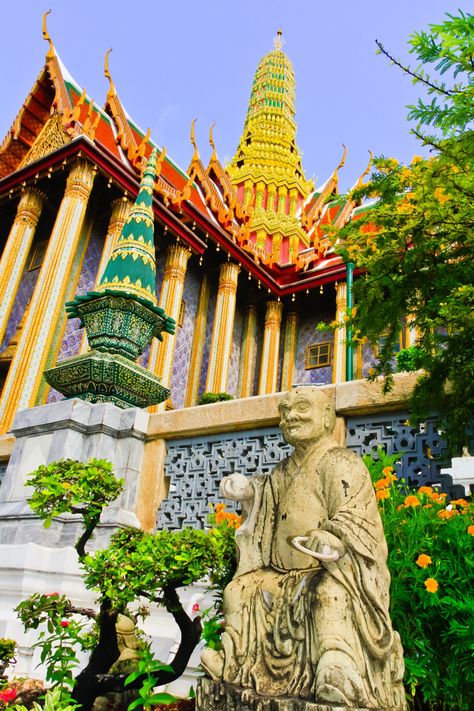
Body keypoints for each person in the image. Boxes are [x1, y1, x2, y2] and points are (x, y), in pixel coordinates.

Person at [201, 387, 405, 709]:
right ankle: (234, 659)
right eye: (285, 411)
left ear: (326, 417)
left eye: (302, 408)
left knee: (328, 592)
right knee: (240, 590)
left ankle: (337, 665)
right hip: (282, 573)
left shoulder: (340, 462)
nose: (290, 416)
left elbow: (356, 513)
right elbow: (267, 500)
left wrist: (334, 536)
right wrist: (250, 492)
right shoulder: (283, 470)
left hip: (328, 569)